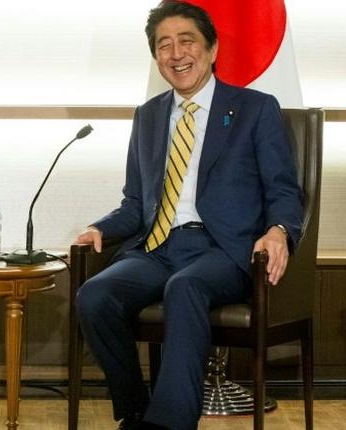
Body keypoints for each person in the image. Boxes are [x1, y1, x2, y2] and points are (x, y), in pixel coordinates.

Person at [74, 2, 303, 429]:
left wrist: (278, 231)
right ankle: (136, 412)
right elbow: (134, 202)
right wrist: (100, 228)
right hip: (158, 247)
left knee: (186, 286)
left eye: (187, 41)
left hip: (223, 249)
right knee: (95, 295)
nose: (176, 53)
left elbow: (284, 190)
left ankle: (169, 425)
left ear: (212, 49)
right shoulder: (148, 116)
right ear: (156, 56)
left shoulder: (255, 108)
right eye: (164, 45)